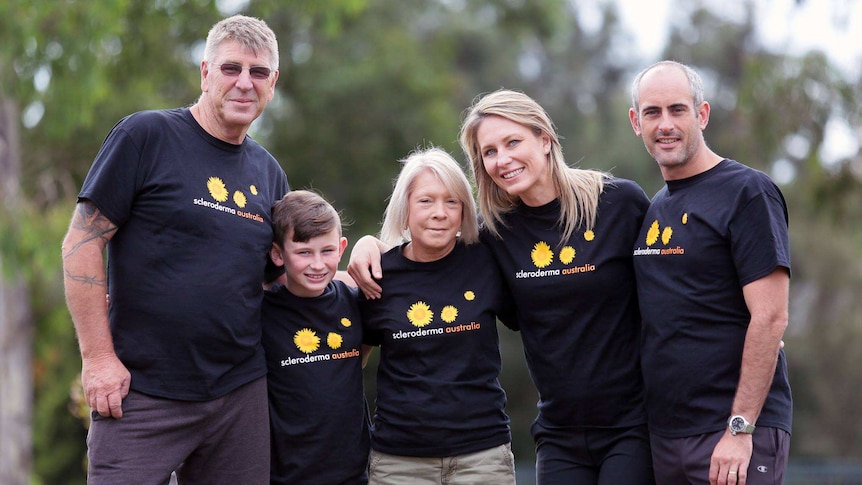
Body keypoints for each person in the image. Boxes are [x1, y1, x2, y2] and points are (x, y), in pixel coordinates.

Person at [350, 90, 655, 484]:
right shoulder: (496, 233)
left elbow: (669, 289)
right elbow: (427, 250)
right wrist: (370, 244)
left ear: (545, 140)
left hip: (631, 424)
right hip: (559, 431)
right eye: (489, 151)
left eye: (513, 142)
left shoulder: (618, 203)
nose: (503, 159)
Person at [61, 15, 287, 485]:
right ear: (204, 72)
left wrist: (363, 259)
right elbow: (81, 244)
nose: (245, 83)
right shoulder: (145, 137)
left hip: (238, 394)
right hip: (140, 393)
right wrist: (98, 358)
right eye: (231, 68)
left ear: (272, 83)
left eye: (258, 72)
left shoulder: (269, 174)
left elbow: (282, 277)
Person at [628, 60, 792, 485]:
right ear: (636, 122)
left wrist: (739, 429)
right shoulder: (656, 207)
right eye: (652, 112)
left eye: (677, 110)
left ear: (702, 114)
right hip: (667, 436)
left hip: (734, 433)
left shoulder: (748, 192)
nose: (665, 124)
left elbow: (771, 317)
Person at [357, 147, 517, 484]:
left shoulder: (488, 260)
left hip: (482, 458)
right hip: (399, 463)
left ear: (464, 211)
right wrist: (366, 243)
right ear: (405, 207)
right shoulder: (378, 275)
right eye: (426, 201)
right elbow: (351, 360)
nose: (439, 213)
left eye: (452, 202)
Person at [262, 190, 370, 484]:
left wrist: (371, 244)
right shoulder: (262, 311)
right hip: (287, 475)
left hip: (353, 473)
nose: (318, 264)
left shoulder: (356, 301)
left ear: (341, 247)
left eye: (327, 251)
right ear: (277, 253)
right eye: (303, 252)